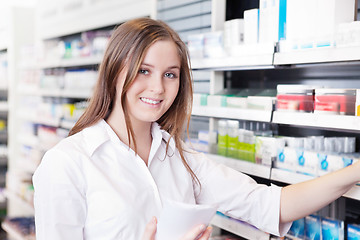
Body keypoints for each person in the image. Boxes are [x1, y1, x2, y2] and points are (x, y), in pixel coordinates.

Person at [32, 17, 360, 240]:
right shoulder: (69, 163)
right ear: (115, 71)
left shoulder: (183, 160)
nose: (158, 88)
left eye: (170, 74)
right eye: (143, 70)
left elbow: (273, 205)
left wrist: (354, 171)